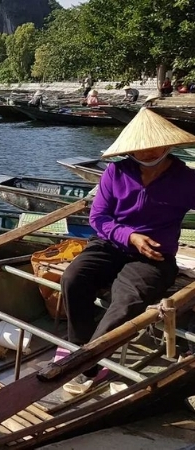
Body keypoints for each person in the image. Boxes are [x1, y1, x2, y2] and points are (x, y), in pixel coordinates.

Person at [60, 108, 195, 395]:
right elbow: (98, 218)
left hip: (154, 257)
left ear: (168, 145)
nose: (146, 153)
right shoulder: (116, 172)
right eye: (139, 149)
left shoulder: (186, 179)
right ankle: (80, 349)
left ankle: (87, 366)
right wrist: (130, 236)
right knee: (73, 279)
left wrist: (141, 244)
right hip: (109, 245)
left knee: (125, 302)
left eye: (152, 147)